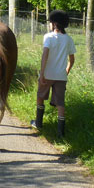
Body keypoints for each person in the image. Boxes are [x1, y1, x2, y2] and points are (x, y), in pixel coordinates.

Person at [30, 10, 75, 139]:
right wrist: (67, 70)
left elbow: (45, 55)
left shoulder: (48, 37)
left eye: (50, 22)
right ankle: (61, 133)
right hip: (61, 76)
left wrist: (42, 73)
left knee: (40, 96)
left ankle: (38, 123)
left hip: (48, 74)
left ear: (54, 24)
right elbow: (72, 60)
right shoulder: (68, 39)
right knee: (60, 103)